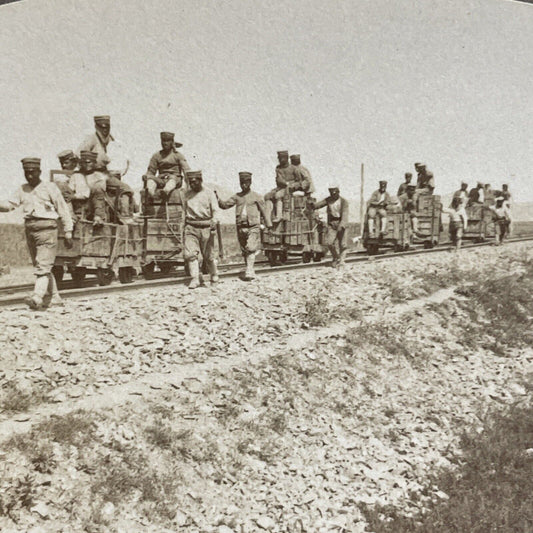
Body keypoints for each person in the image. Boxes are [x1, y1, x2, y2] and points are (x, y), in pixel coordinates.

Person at [0, 158, 73, 309]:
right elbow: (9, 205)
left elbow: (62, 208)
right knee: (41, 265)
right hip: (30, 229)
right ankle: (55, 297)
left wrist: (68, 231)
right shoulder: (22, 189)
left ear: (39, 172)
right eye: (27, 173)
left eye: (32, 172)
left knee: (43, 266)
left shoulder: (50, 187)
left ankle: (37, 297)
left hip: (47, 229)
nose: (30, 176)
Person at [216, 172, 271, 280]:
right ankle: (249, 268)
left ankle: (250, 271)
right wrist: (217, 198)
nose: (243, 185)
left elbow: (264, 211)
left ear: (250, 183)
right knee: (244, 250)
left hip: (253, 226)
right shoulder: (237, 197)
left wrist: (267, 224)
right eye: (241, 183)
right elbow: (225, 205)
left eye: (245, 183)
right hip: (241, 227)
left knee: (250, 247)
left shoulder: (256, 196)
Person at [180, 170, 220, 289]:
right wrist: (182, 226)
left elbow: (216, 210)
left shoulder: (209, 193)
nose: (193, 184)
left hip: (207, 227)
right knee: (191, 254)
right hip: (191, 227)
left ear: (200, 181)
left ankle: (214, 275)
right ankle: (195, 279)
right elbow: (184, 211)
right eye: (190, 182)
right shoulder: (186, 195)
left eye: (195, 182)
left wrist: (214, 221)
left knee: (209, 256)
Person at [312, 184, 349, 267]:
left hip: (341, 223)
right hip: (332, 224)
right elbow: (319, 205)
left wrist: (342, 225)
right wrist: (312, 205)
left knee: (343, 244)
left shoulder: (344, 202)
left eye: (335, 193)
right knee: (329, 243)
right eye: (331, 193)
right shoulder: (329, 200)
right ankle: (336, 257)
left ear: (338, 192)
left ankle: (342, 261)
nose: (333, 195)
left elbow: (345, 214)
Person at [144, 131, 190, 199]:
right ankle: (153, 195)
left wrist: (188, 185)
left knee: (172, 181)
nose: (165, 143)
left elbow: (186, 170)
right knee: (150, 180)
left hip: (175, 179)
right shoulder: (156, 156)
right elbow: (151, 171)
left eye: (167, 141)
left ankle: (164, 192)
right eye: (163, 141)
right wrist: (147, 177)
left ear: (172, 142)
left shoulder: (178, 155)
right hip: (161, 179)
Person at [265, 150, 297, 223]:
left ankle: (279, 216)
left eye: (281, 158)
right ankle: (268, 221)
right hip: (281, 187)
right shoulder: (278, 168)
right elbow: (279, 180)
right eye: (279, 158)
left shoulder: (294, 168)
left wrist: (290, 184)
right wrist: (284, 183)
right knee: (267, 196)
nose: (280, 160)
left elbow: (298, 181)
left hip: (291, 188)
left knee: (278, 195)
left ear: (286, 158)